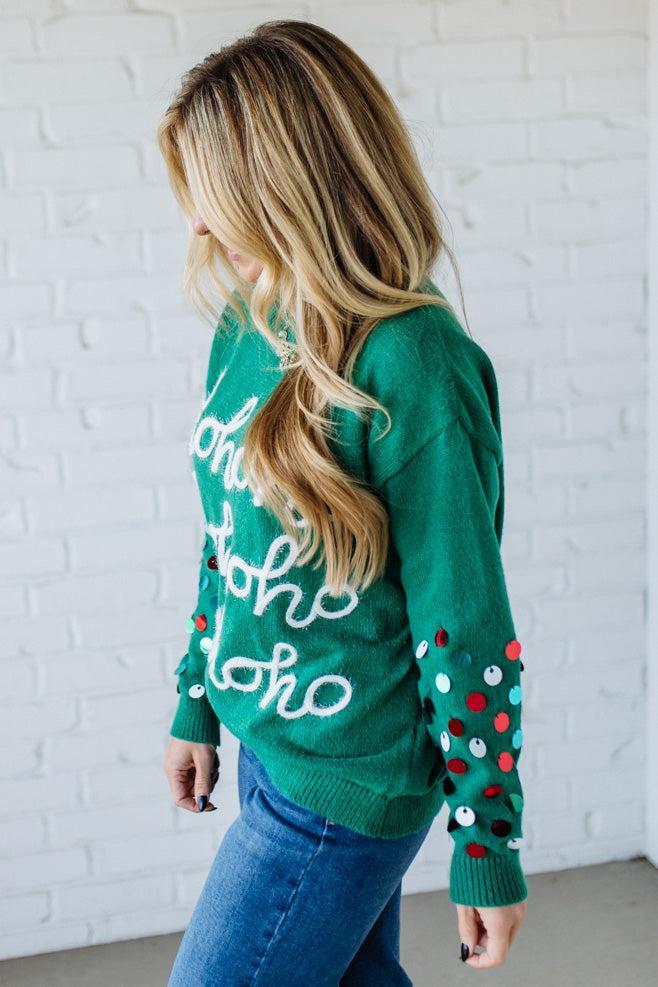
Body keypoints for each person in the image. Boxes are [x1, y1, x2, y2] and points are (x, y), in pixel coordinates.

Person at [158, 19, 528, 985]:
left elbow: (466, 620)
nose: (198, 226)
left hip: (353, 782)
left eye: (215, 197)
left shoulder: (415, 362)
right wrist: (197, 696)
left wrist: (485, 840)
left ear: (288, 190)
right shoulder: (246, 328)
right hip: (266, 751)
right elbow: (225, 539)